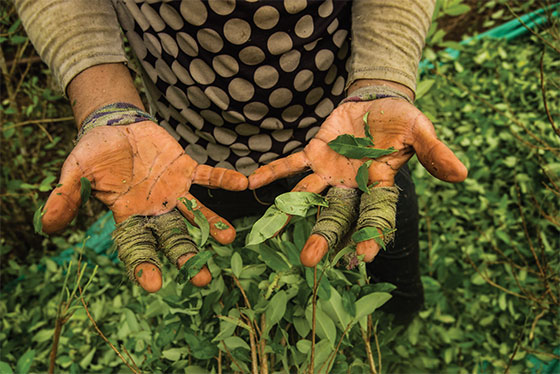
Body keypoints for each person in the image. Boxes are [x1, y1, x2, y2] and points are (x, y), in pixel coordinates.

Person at [15, 0, 467, 321]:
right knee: (225, 274)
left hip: (348, 133)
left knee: (388, 248)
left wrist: (382, 80)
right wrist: (108, 103)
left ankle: (400, 321)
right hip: (190, 156)